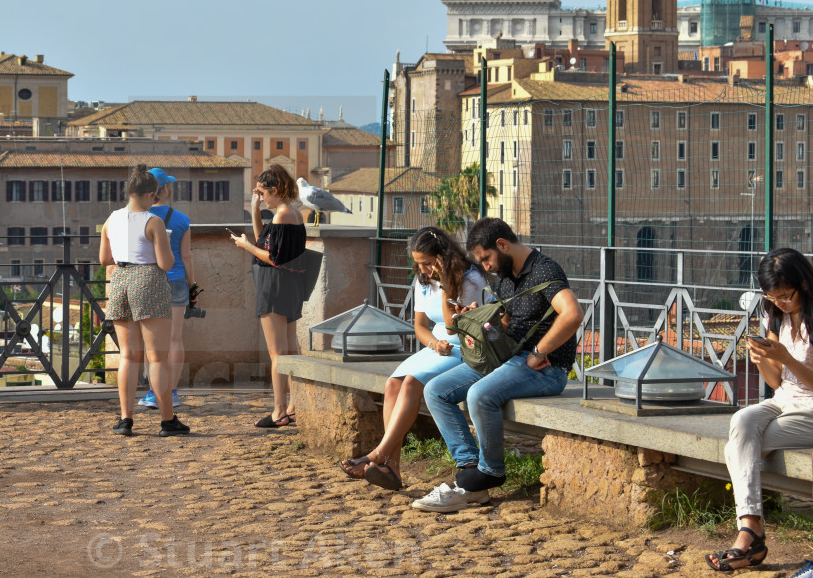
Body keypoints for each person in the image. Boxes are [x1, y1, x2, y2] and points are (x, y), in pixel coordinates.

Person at [414, 217, 582, 512]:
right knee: (436, 391)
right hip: (506, 357)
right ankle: (469, 471)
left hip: (545, 368)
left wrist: (539, 351)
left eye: (486, 258)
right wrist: (479, 318)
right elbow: (503, 325)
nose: (486, 266)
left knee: (480, 395)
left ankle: (490, 472)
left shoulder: (544, 269)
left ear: (502, 245)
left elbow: (572, 314)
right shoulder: (505, 276)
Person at [338, 226, 489, 491]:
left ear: (443, 257)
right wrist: (433, 343)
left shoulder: (471, 279)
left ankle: (379, 454)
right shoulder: (423, 279)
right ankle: (392, 466)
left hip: (466, 348)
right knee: (392, 384)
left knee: (410, 383)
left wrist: (444, 282)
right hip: (437, 346)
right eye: (419, 264)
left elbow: (455, 327)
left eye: (428, 263)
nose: (424, 270)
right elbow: (420, 327)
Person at [705, 248, 813, 571]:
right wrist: (763, 360)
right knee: (742, 420)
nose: (779, 302)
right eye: (772, 296)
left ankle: (750, 538)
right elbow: (777, 382)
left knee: (737, 448)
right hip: (785, 400)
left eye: (785, 296)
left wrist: (787, 358)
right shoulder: (775, 314)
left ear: (804, 284)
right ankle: (751, 527)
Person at [99, 165, 188, 437]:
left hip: (120, 280)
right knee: (157, 358)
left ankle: (125, 420)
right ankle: (167, 420)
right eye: (155, 197)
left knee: (128, 355)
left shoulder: (110, 219)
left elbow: (104, 260)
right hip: (149, 280)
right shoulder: (153, 222)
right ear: (151, 194)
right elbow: (165, 262)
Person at [230, 164, 306, 428]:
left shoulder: (283, 216)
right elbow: (266, 240)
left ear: (274, 190)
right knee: (289, 351)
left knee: (278, 354)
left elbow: (273, 258)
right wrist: (254, 210)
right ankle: (293, 407)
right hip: (288, 285)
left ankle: (279, 411)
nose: (261, 197)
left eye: (262, 193)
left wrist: (245, 246)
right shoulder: (291, 214)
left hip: (274, 286)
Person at [140, 167, 194, 411]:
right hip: (176, 280)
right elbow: (186, 257)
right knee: (174, 339)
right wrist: (192, 286)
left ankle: (153, 392)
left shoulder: (140, 217)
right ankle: (171, 392)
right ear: (163, 189)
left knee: (149, 341)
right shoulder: (182, 219)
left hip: (148, 281)